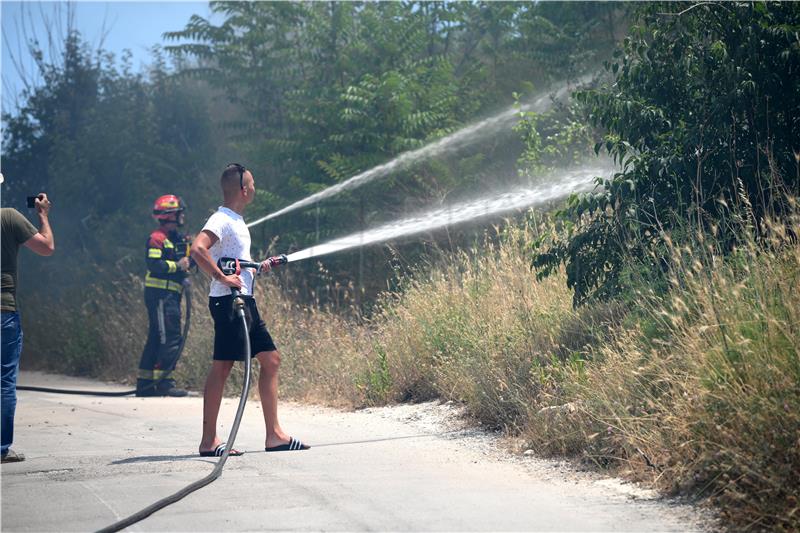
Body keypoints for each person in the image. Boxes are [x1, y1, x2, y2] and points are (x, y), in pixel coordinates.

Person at [191, 163, 309, 456]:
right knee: (223, 367)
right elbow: (198, 249)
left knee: (271, 360)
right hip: (229, 302)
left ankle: (275, 436)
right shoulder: (222, 219)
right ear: (243, 189)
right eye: (253, 183)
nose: (255, 187)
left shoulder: (237, 222)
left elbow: (234, 261)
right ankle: (209, 441)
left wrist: (256, 267)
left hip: (245, 300)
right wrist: (220, 277)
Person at [1, 177, 55, 464]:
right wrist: (43, 215)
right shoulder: (9, 217)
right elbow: (46, 247)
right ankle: (0, 449)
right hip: (3, 311)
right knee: (4, 382)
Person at [135, 195, 191, 397]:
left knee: (158, 336)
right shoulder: (157, 239)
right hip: (160, 296)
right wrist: (178, 266)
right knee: (169, 336)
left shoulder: (178, 239)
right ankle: (164, 382)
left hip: (170, 296)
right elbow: (154, 265)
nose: (182, 216)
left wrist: (191, 257)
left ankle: (146, 384)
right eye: (179, 213)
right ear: (169, 215)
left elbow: (187, 261)